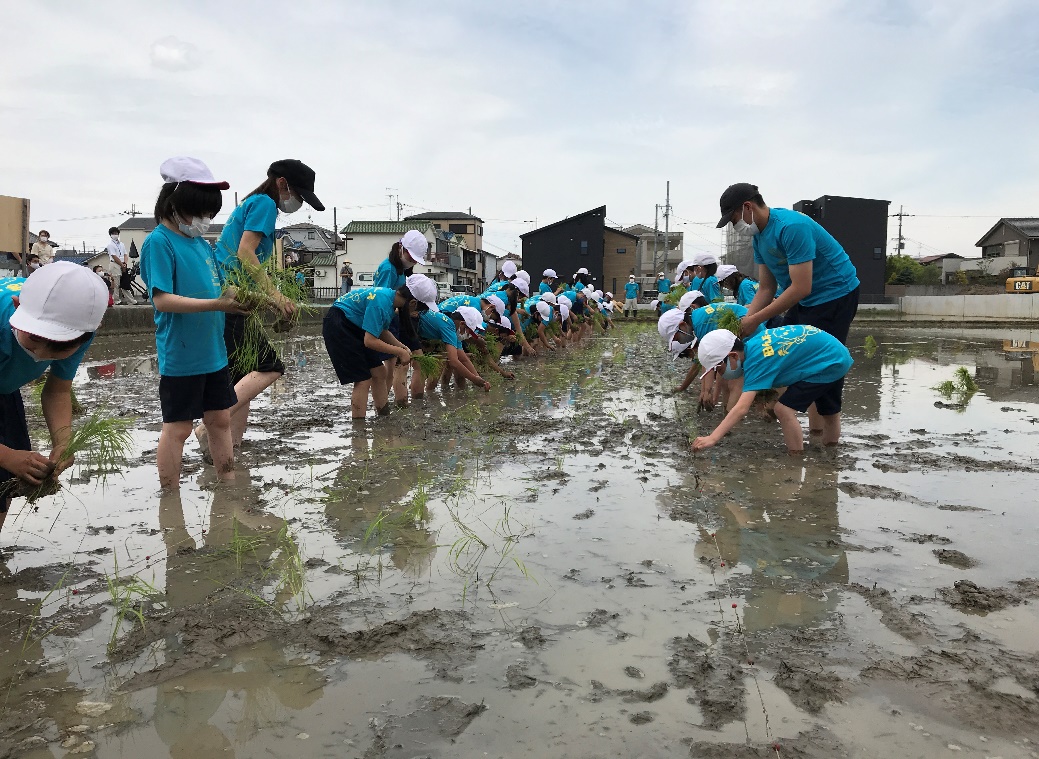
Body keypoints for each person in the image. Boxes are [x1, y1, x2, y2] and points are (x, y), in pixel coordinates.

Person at [195, 159, 324, 457]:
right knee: (270, 367)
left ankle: (230, 446)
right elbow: (245, 252)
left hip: (230, 294)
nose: (299, 203)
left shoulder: (253, 204)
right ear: (282, 184)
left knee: (243, 376)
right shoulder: (265, 204)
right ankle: (207, 428)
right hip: (232, 296)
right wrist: (277, 297)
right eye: (299, 195)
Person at [140, 156, 249, 491]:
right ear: (174, 206)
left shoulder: (201, 243)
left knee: (219, 419)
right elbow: (162, 300)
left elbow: (218, 287)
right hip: (182, 354)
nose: (204, 220)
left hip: (213, 352)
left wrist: (240, 297)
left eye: (209, 214)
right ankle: (169, 495)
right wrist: (217, 303)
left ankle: (228, 484)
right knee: (179, 428)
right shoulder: (158, 242)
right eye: (199, 212)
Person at [716, 182, 860, 430]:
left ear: (748, 207)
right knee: (781, 345)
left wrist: (754, 319)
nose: (734, 226)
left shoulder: (791, 227)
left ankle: (820, 433)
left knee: (820, 359)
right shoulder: (760, 237)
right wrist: (747, 322)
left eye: (734, 219)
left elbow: (801, 287)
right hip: (807, 299)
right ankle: (787, 411)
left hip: (836, 293)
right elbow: (766, 288)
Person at [0, 263, 109, 529]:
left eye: (56, 351)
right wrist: (8, 456)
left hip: (4, 391)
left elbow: (58, 389)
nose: (41, 355)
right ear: (17, 307)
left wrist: (63, 442)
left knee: (4, 482)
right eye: (34, 342)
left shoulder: (80, 327)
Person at [691, 326, 853, 454]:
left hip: (827, 362)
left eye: (719, 369)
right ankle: (831, 453)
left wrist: (712, 438)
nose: (722, 374)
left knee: (783, 410)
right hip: (835, 353)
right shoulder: (753, 345)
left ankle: (796, 459)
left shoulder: (755, 361)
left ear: (733, 356)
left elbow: (741, 408)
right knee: (829, 412)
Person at [323, 274, 438, 419]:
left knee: (380, 372)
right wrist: (399, 352)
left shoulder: (389, 300)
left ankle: (383, 416)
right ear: (413, 303)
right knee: (363, 379)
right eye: (419, 310)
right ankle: (359, 428)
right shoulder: (381, 302)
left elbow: (382, 331)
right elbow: (370, 341)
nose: (416, 315)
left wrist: (402, 347)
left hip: (354, 325)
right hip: (340, 325)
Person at [373, 230, 428, 406]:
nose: (411, 262)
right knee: (391, 365)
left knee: (396, 363)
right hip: (387, 320)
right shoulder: (388, 268)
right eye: (410, 257)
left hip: (398, 319)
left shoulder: (402, 270)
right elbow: (380, 297)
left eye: (414, 260)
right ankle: (382, 404)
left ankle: (389, 402)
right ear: (400, 247)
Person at [105, 226, 137, 305]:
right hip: (115, 264)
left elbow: (125, 254)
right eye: (113, 233)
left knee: (125, 283)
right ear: (110, 235)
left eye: (116, 233)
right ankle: (116, 300)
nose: (115, 235)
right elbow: (114, 256)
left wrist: (125, 263)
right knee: (116, 283)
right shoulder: (110, 245)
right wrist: (121, 264)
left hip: (122, 265)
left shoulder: (122, 244)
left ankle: (131, 300)